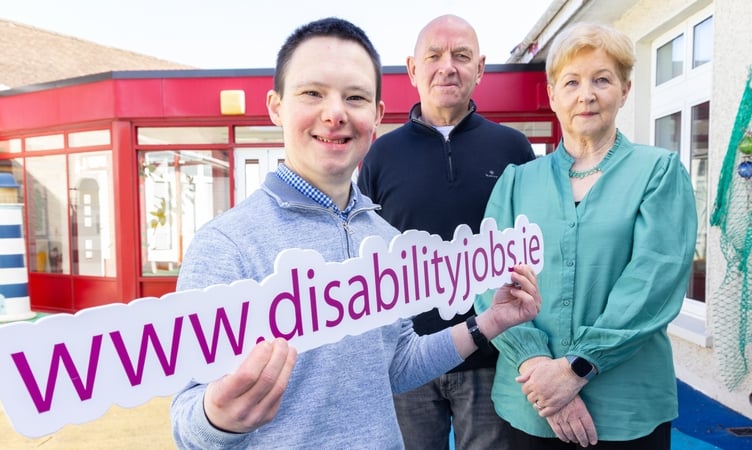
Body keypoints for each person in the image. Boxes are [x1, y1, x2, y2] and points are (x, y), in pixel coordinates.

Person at [170, 17, 541, 449]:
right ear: (276, 107)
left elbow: (398, 362)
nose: (335, 113)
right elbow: (186, 420)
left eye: (355, 97)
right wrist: (217, 419)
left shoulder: (383, 238)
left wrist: (489, 321)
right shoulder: (225, 246)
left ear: (376, 115)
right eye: (312, 93)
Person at [474, 22, 697, 449]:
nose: (586, 95)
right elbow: (488, 282)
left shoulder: (658, 172)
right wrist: (540, 367)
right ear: (553, 95)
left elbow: (654, 282)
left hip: (624, 405)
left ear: (625, 90)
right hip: (530, 401)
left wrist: (576, 368)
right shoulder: (516, 181)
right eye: (572, 82)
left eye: (602, 79)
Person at [357, 14, 536, 449]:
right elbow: (361, 251)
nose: (447, 66)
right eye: (433, 56)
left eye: (461, 55)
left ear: (481, 67)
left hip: (492, 355)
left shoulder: (513, 148)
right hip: (408, 360)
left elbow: (534, 245)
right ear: (412, 68)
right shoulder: (381, 154)